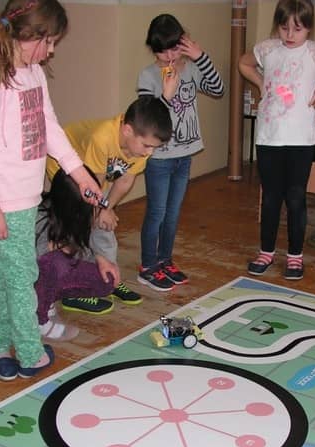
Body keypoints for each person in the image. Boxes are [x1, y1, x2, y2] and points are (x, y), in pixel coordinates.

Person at [0, 0, 102, 381]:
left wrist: (81, 175)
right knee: (23, 274)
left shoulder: (34, 74)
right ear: (28, 34)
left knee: (10, 275)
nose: (52, 50)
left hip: (26, 196)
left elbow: (50, 129)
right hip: (0, 200)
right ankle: (29, 352)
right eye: (49, 41)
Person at [238, 0, 315, 281]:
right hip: (269, 136)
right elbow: (244, 63)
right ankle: (266, 252)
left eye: (298, 29)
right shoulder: (268, 48)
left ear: (309, 28)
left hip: (301, 139)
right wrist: (260, 83)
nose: (290, 35)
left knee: (295, 197)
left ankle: (295, 256)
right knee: (270, 198)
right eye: (284, 28)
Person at [45, 96, 173, 297]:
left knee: (104, 225)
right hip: (68, 172)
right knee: (77, 224)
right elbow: (93, 186)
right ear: (127, 130)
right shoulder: (102, 138)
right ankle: (74, 286)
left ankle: (108, 277)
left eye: (154, 147)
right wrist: (100, 209)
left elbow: (125, 181)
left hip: (95, 180)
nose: (150, 152)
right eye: (147, 145)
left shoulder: (141, 150)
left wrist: (107, 208)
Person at [136, 14, 225, 290]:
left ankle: (165, 260)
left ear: (183, 44)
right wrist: (166, 94)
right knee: (157, 213)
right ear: (153, 49)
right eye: (162, 51)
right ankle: (147, 266)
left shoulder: (192, 69)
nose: (169, 57)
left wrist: (201, 57)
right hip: (159, 159)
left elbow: (219, 89)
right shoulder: (148, 76)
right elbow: (148, 121)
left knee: (173, 214)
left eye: (174, 49)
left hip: (184, 155)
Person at [35, 166, 120, 341]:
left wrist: (101, 258)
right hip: (33, 277)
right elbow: (38, 259)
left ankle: (49, 298)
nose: (95, 201)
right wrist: (62, 248)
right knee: (53, 262)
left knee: (106, 279)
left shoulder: (91, 210)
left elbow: (87, 249)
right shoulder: (40, 215)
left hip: (60, 269)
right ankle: (40, 319)